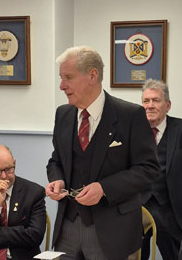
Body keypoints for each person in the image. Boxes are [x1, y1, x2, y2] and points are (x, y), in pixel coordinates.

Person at [45, 46, 160, 260]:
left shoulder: (130, 115)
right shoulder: (63, 114)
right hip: (67, 229)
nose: (62, 86)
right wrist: (57, 179)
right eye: (61, 78)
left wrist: (104, 188)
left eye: (68, 77)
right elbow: (56, 160)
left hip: (112, 232)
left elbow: (148, 169)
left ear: (92, 76)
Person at [140, 79, 182, 260]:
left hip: (171, 208)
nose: (150, 106)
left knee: (177, 255)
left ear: (167, 105)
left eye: (156, 100)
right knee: (134, 255)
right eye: (146, 101)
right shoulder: (133, 129)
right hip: (138, 205)